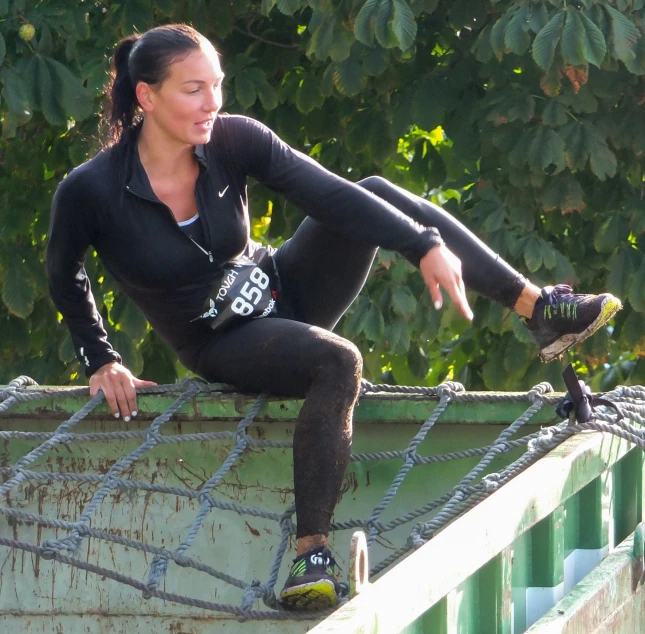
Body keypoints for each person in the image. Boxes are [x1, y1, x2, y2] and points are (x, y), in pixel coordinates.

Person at [46, 24, 621, 611]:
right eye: (194, 89)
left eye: (217, 85)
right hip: (223, 341)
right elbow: (63, 272)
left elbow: (330, 195)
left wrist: (423, 243)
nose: (213, 102)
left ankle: (536, 309)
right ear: (147, 96)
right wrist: (102, 358)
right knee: (337, 360)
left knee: (372, 189)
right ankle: (311, 555)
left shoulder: (233, 140)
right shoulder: (91, 190)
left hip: (284, 287)